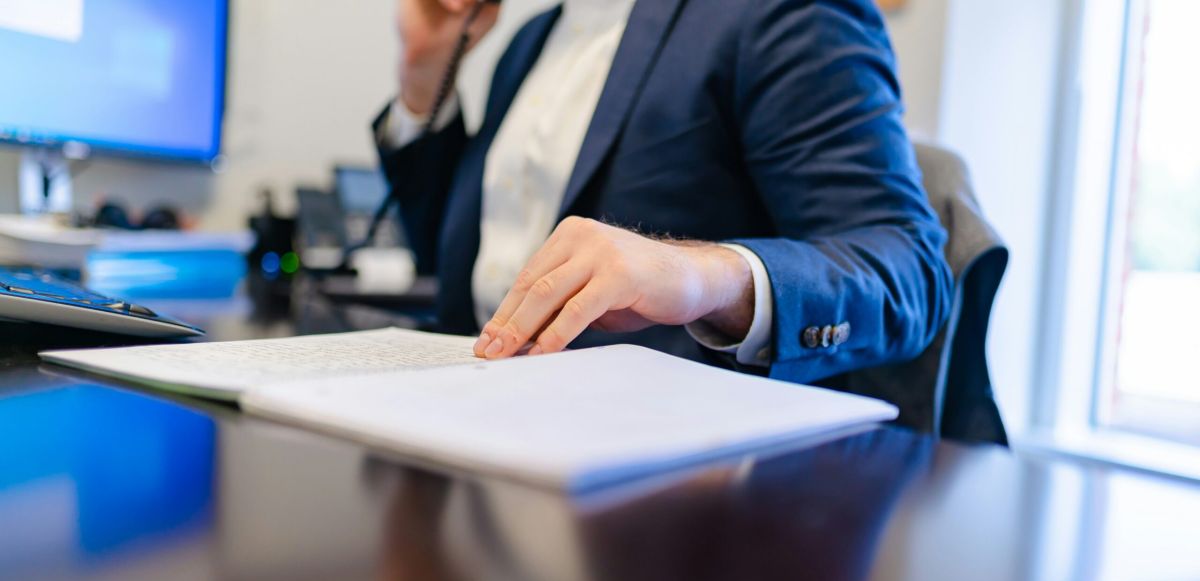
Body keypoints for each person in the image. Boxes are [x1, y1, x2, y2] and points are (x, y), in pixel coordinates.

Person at [376, 0, 952, 384]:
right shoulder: (530, 41)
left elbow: (910, 272)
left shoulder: (783, 12)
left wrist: (703, 275)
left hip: (687, 496)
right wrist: (423, 75)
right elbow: (459, 267)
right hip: (474, 429)